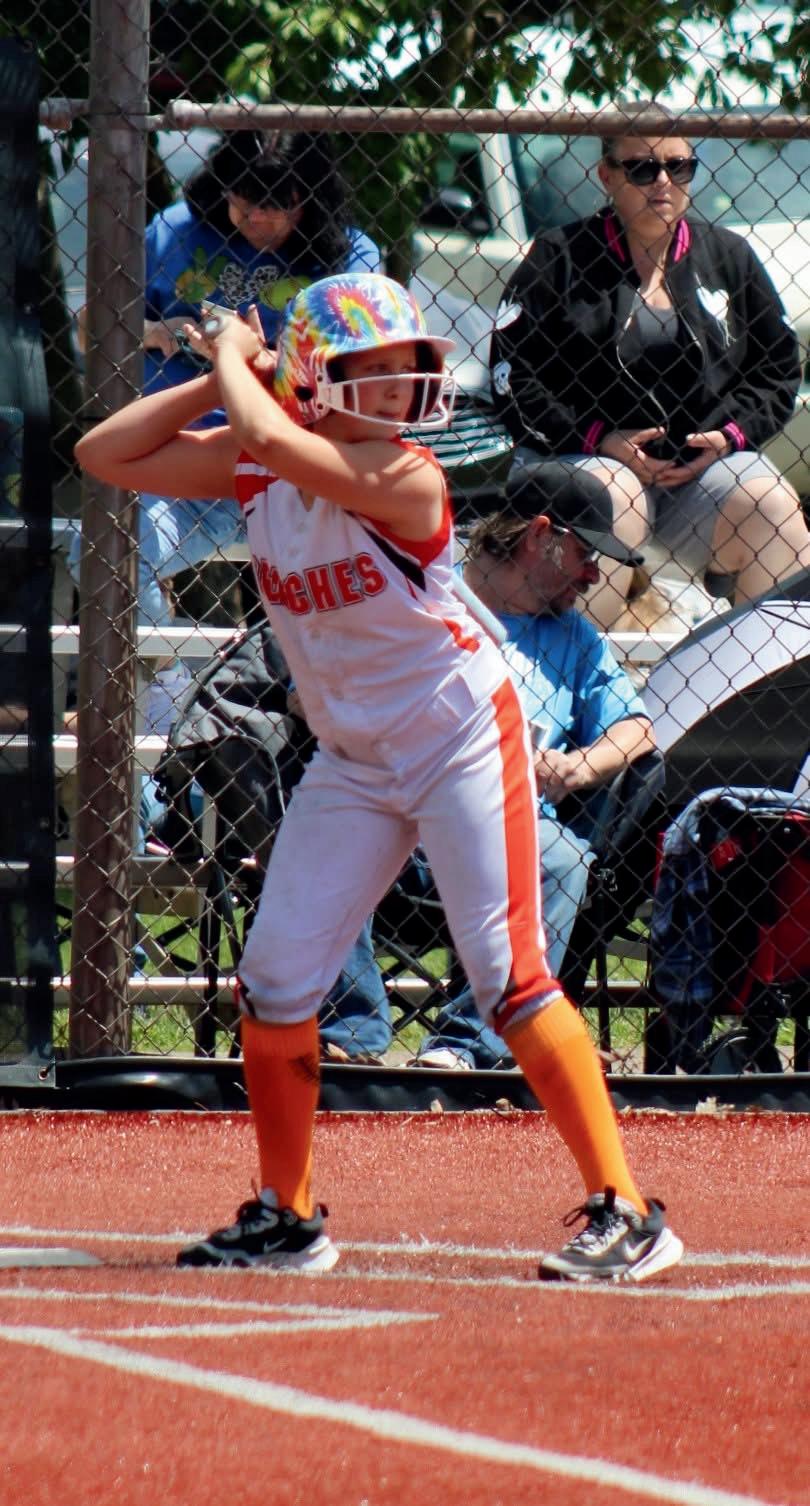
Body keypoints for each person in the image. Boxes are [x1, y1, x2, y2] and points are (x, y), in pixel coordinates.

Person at [75, 270, 683, 1284]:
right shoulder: (266, 456)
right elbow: (105, 454)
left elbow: (273, 441)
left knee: (509, 980)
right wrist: (225, 375)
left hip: (457, 735)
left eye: (410, 367)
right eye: (373, 369)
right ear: (314, 379)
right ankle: (287, 1214)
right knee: (276, 981)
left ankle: (627, 1210)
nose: (401, 388)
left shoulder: (408, 476)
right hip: (354, 756)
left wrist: (237, 360)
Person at [69, 130, 381, 738]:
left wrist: (249, 359)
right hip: (187, 467)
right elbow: (89, 328)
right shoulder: (176, 230)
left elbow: (363, 370)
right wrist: (154, 330)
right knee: (101, 546)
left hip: (296, 471)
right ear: (222, 189)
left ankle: (275, 710)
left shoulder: (351, 255)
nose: (258, 220)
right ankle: (176, 692)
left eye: (278, 206)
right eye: (244, 203)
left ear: (309, 198)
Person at [489, 101, 810, 632]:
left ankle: (769, 676)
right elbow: (513, 378)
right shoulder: (557, 258)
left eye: (679, 166)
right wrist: (598, 438)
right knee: (610, 498)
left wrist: (727, 437)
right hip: (586, 457)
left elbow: (777, 370)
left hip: (697, 473)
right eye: (642, 168)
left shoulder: (728, 256)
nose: (663, 181)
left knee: (771, 506)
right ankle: (579, 668)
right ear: (607, 176)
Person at [410, 459, 656, 1069]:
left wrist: (580, 766)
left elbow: (637, 729)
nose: (594, 575)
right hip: (406, 818)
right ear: (540, 537)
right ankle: (345, 1037)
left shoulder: (573, 637)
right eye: (585, 554)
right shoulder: (426, 599)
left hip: (512, 829)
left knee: (564, 858)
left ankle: (466, 1048)